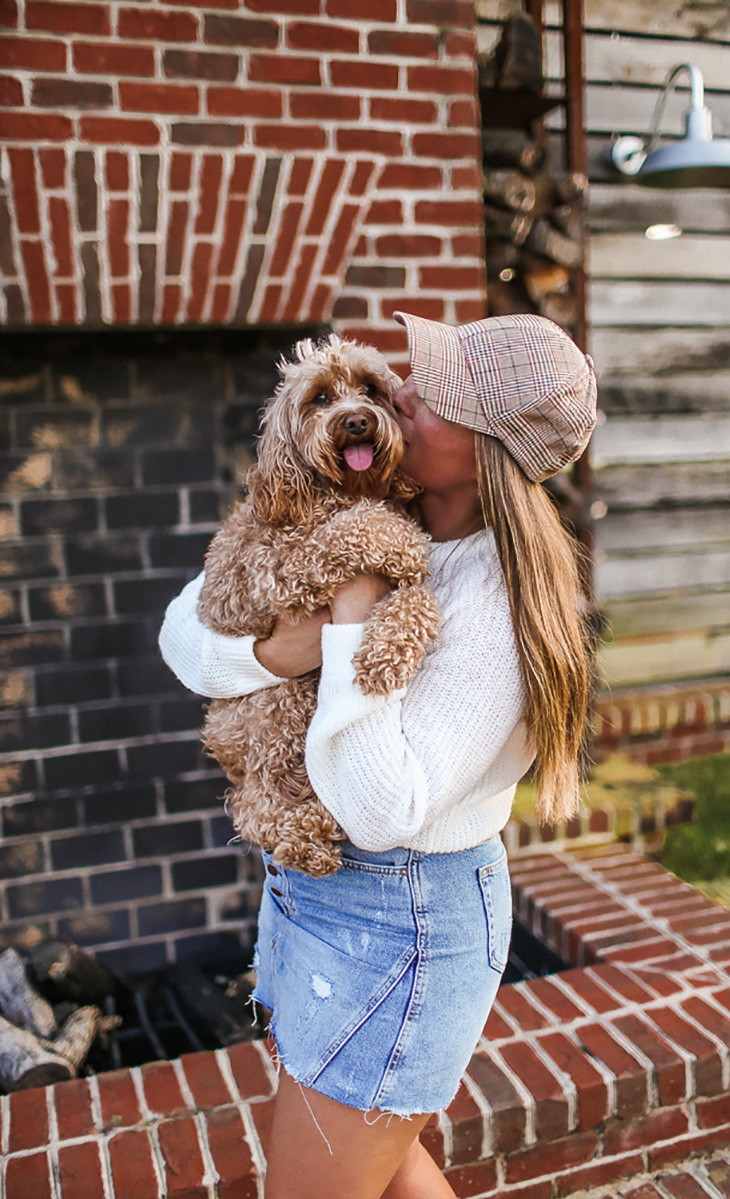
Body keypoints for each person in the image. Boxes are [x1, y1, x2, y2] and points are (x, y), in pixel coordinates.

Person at [159, 310, 597, 1199]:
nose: (397, 394)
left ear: (482, 451)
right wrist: (272, 656)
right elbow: (180, 631)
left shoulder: (495, 605)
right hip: (314, 891)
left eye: (429, 397)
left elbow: (379, 807)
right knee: (391, 1175)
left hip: (403, 918)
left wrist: (353, 610)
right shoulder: (362, 507)